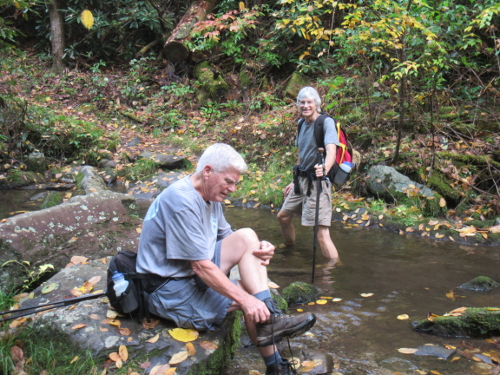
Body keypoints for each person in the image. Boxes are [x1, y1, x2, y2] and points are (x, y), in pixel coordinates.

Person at [136, 143, 316, 375]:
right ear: (208, 171)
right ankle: (275, 365)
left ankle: (272, 321)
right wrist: (248, 300)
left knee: (248, 236)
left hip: (188, 277)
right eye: (228, 182)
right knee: (251, 298)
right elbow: (200, 266)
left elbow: (231, 238)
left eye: (235, 183)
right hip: (168, 291)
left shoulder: (210, 196)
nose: (232, 189)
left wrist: (260, 248)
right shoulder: (182, 201)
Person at [277, 87, 339, 263]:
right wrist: (293, 180)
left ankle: (333, 269)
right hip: (301, 180)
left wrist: (325, 168)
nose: (305, 106)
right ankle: (290, 248)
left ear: (316, 104)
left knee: (321, 234)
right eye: (302, 102)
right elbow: (302, 154)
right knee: (283, 216)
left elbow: (331, 150)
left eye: (309, 102)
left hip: (318, 183)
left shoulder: (325, 122)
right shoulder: (301, 124)